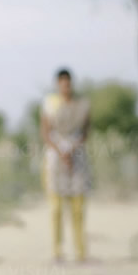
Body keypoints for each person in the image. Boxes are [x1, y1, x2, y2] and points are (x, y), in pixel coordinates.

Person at [40, 68, 92, 262]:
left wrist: (73, 148)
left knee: (78, 207)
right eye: (62, 82)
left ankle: (81, 251)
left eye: (68, 82)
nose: (65, 86)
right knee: (56, 208)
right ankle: (57, 250)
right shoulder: (50, 105)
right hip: (55, 156)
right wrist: (60, 150)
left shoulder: (82, 105)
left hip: (77, 156)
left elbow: (86, 131)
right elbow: (45, 132)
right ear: (57, 84)